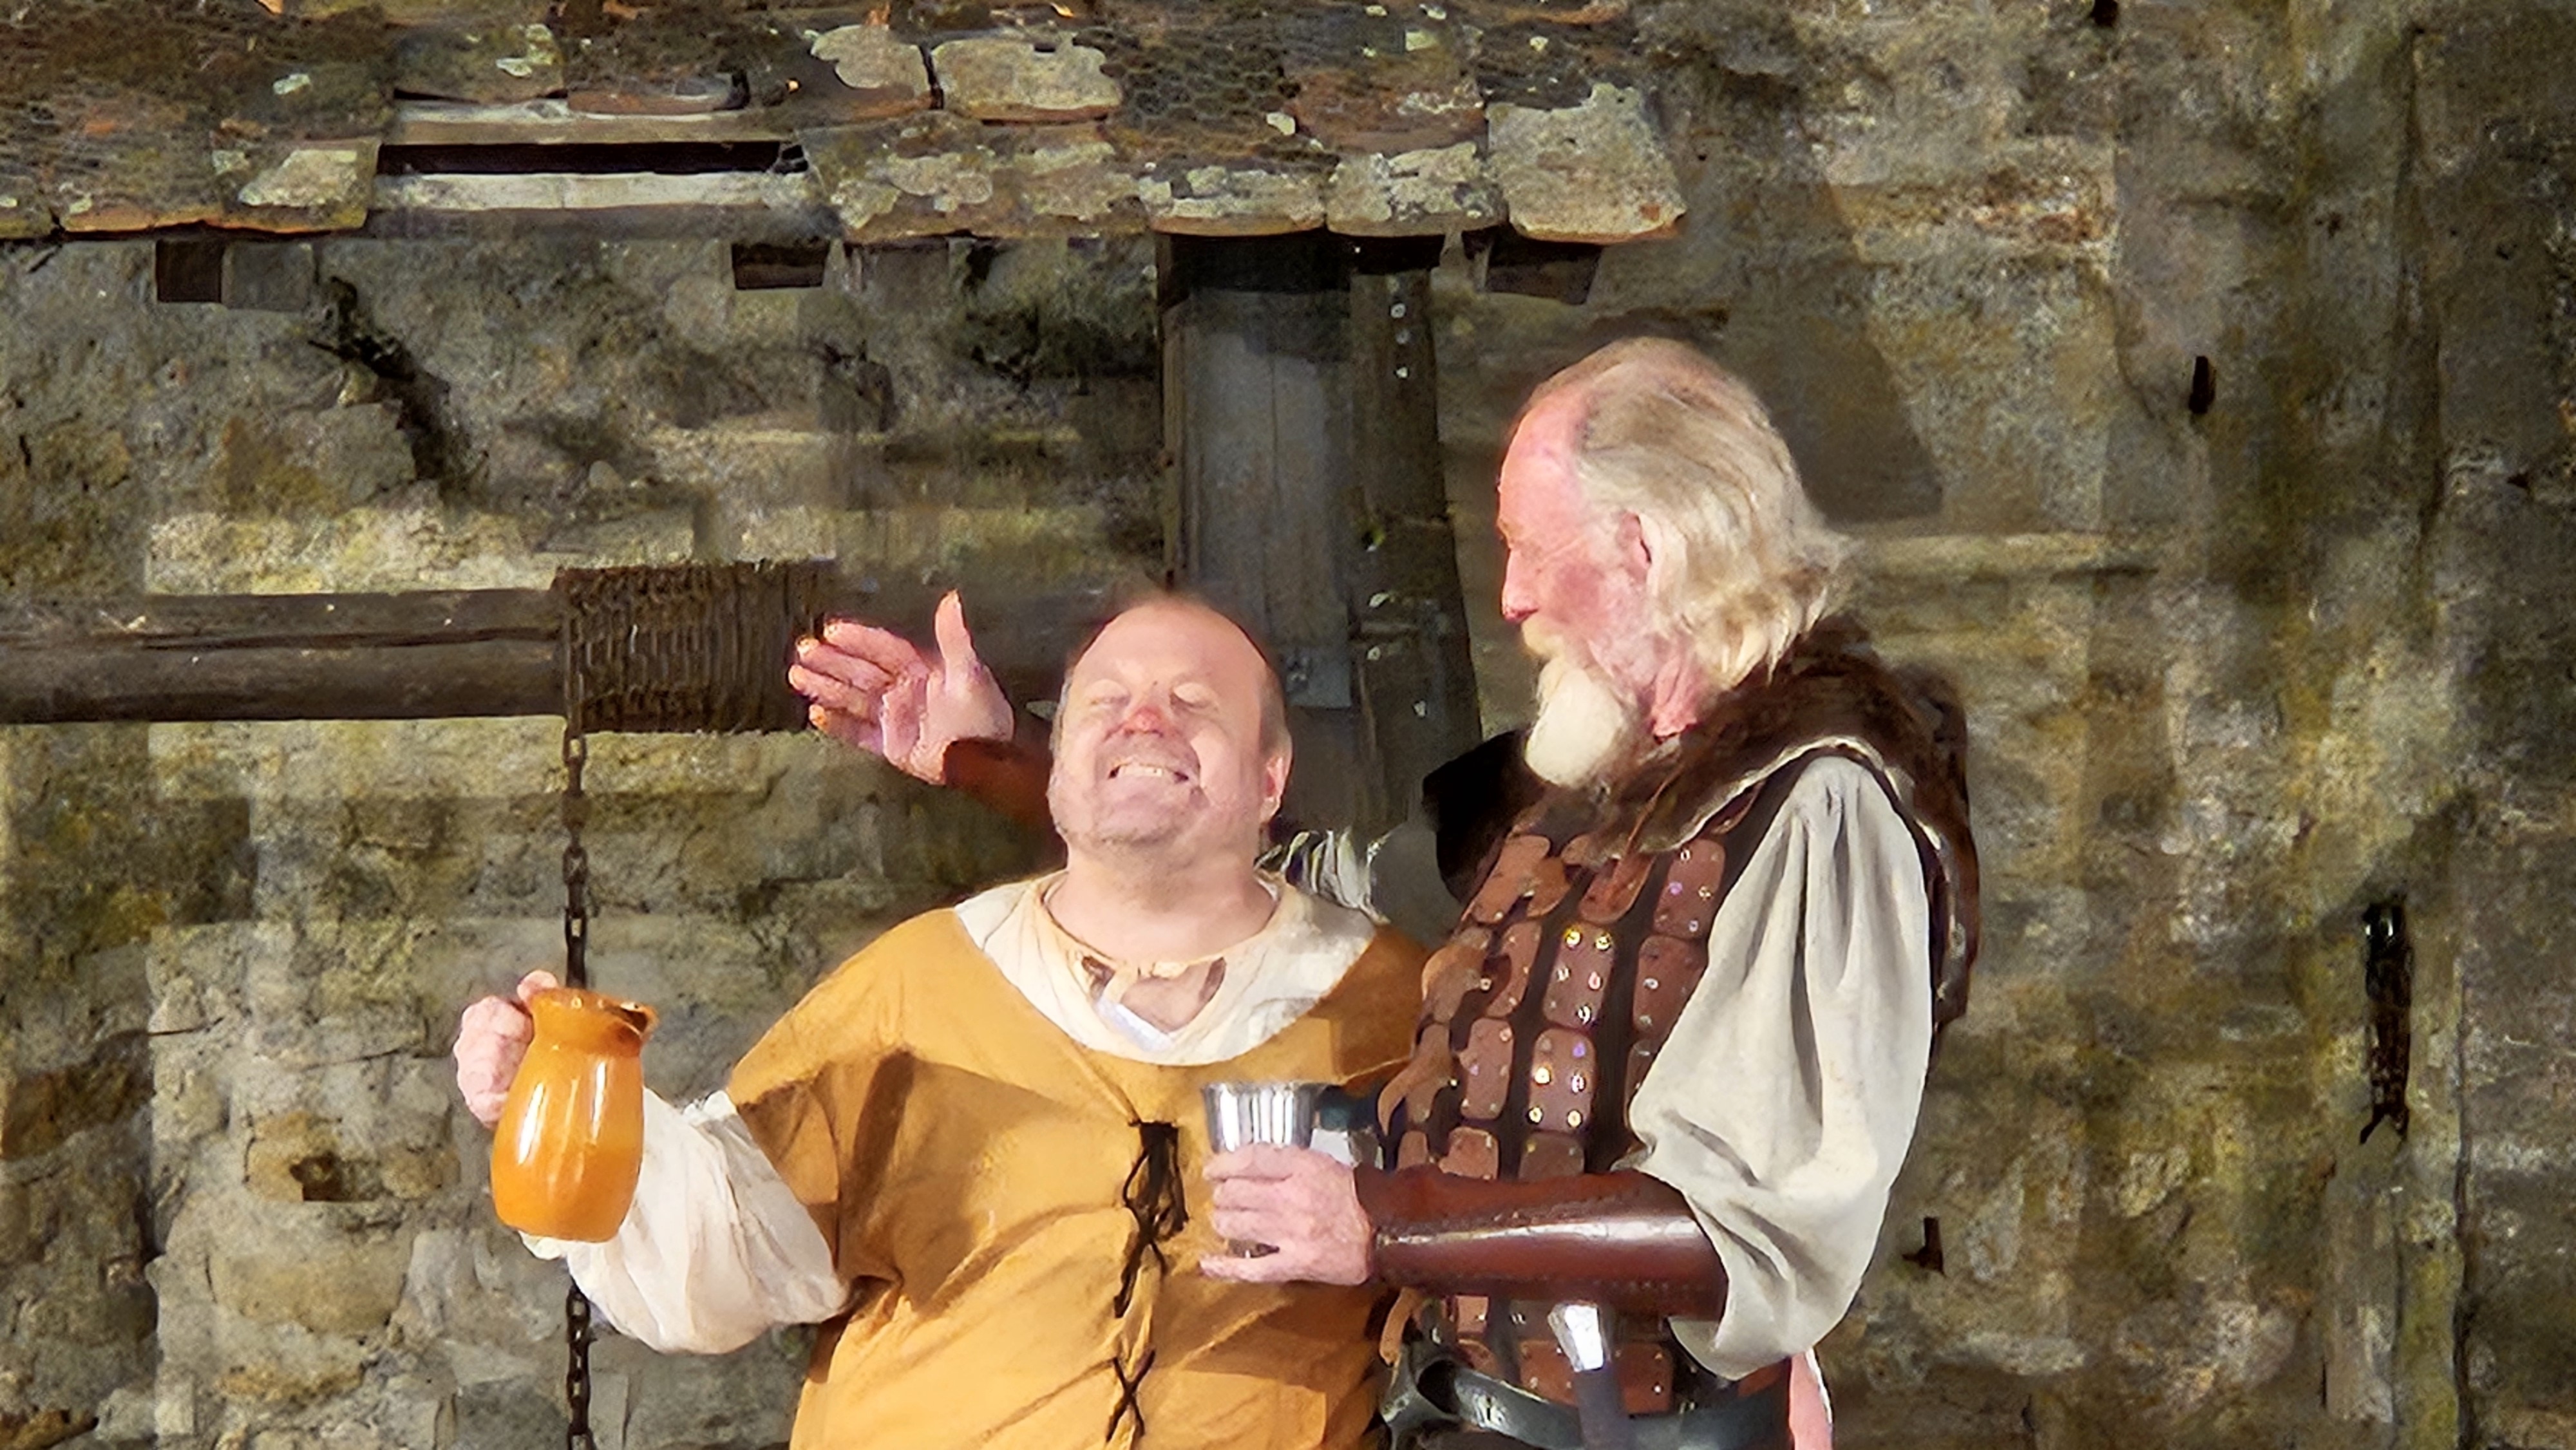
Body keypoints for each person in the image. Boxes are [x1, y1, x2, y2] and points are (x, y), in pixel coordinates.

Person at [794, 337, 1980, 1450]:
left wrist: (1380, 1222)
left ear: (1645, 550)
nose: (1511, 599)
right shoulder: (1579, 781)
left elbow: (1746, 1232)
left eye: (1530, 548)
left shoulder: (1817, 808)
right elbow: (1290, 884)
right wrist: (1003, 759)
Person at [455, 596, 1429, 1449]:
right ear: (1057, 769)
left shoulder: (1403, 1010)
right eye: (1104, 702)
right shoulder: (919, 984)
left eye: (1194, 703)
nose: (1143, 721)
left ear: (1270, 777)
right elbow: (728, 1242)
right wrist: (559, 1099)